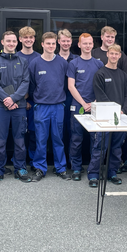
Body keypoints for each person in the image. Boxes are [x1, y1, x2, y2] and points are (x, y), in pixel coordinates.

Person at [0, 31, 31, 184]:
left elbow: (26, 82)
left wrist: (13, 98)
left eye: (13, 41)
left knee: (19, 139)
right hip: (0, 106)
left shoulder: (23, 61)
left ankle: (20, 168)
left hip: (18, 106)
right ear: (2, 42)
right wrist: (6, 99)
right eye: (8, 41)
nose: (11, 43)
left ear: (16, 43)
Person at [28, 32, 71, 181]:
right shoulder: (34, 63)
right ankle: (40, 167)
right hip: (41, 106)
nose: (51, 46)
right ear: (42, 44)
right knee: (41, 139)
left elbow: (66, 84)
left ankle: (61, 168)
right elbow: (32, 85)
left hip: (58, 106)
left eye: (53, 43)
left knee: (58, 138)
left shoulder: (62, 63)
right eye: (48, 43)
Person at [88, 44, 127, 187]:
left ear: (119, 56)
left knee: (116, 147)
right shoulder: (100, 74)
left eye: (116, 54)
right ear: (107, 54)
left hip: (121, 117)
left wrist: (123, 109)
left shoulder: (123, 75)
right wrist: (113, 110)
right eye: (111, 53)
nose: (113, 56)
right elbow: (100, 95)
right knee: (100, 146)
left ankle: (112, 172)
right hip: (105, 117)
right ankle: (93, 174)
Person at [67, 33, 104, 181]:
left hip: (95, 107)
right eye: (85, 43)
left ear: (92, 45)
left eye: (90, 43)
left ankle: (93, 171)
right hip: (77, 107)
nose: (87, 46)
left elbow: (102, 87)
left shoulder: (99, 64)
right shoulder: (73, 64)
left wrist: (93, 103)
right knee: (76, 139)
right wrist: (83, 103)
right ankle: (76, 168)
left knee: (95, 141)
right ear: (79, 45)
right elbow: (71, 86)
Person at [16, 26, 40, 169]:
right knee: (20, 133)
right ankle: (19, 162)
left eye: (31, 37)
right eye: (25, 37)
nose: (28, 40)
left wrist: (31, 100)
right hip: (19, 102)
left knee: (34, 134)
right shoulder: (16, 57)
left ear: (34, 39)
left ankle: (33, 161)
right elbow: (13, 81)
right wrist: (22, 100)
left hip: (36, 102)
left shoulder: (39, 57)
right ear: (20, 39)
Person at [58, 29, 78, 165]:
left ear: (71, 42)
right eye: (63, 40)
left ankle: (73, 162)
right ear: (58, 41)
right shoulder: (52, 58)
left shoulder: (77, 59)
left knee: (73, 131)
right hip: (57, 100)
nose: (65, 43)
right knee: (59, 132)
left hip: (73, 99)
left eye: (68, 41)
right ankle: (60, 161)